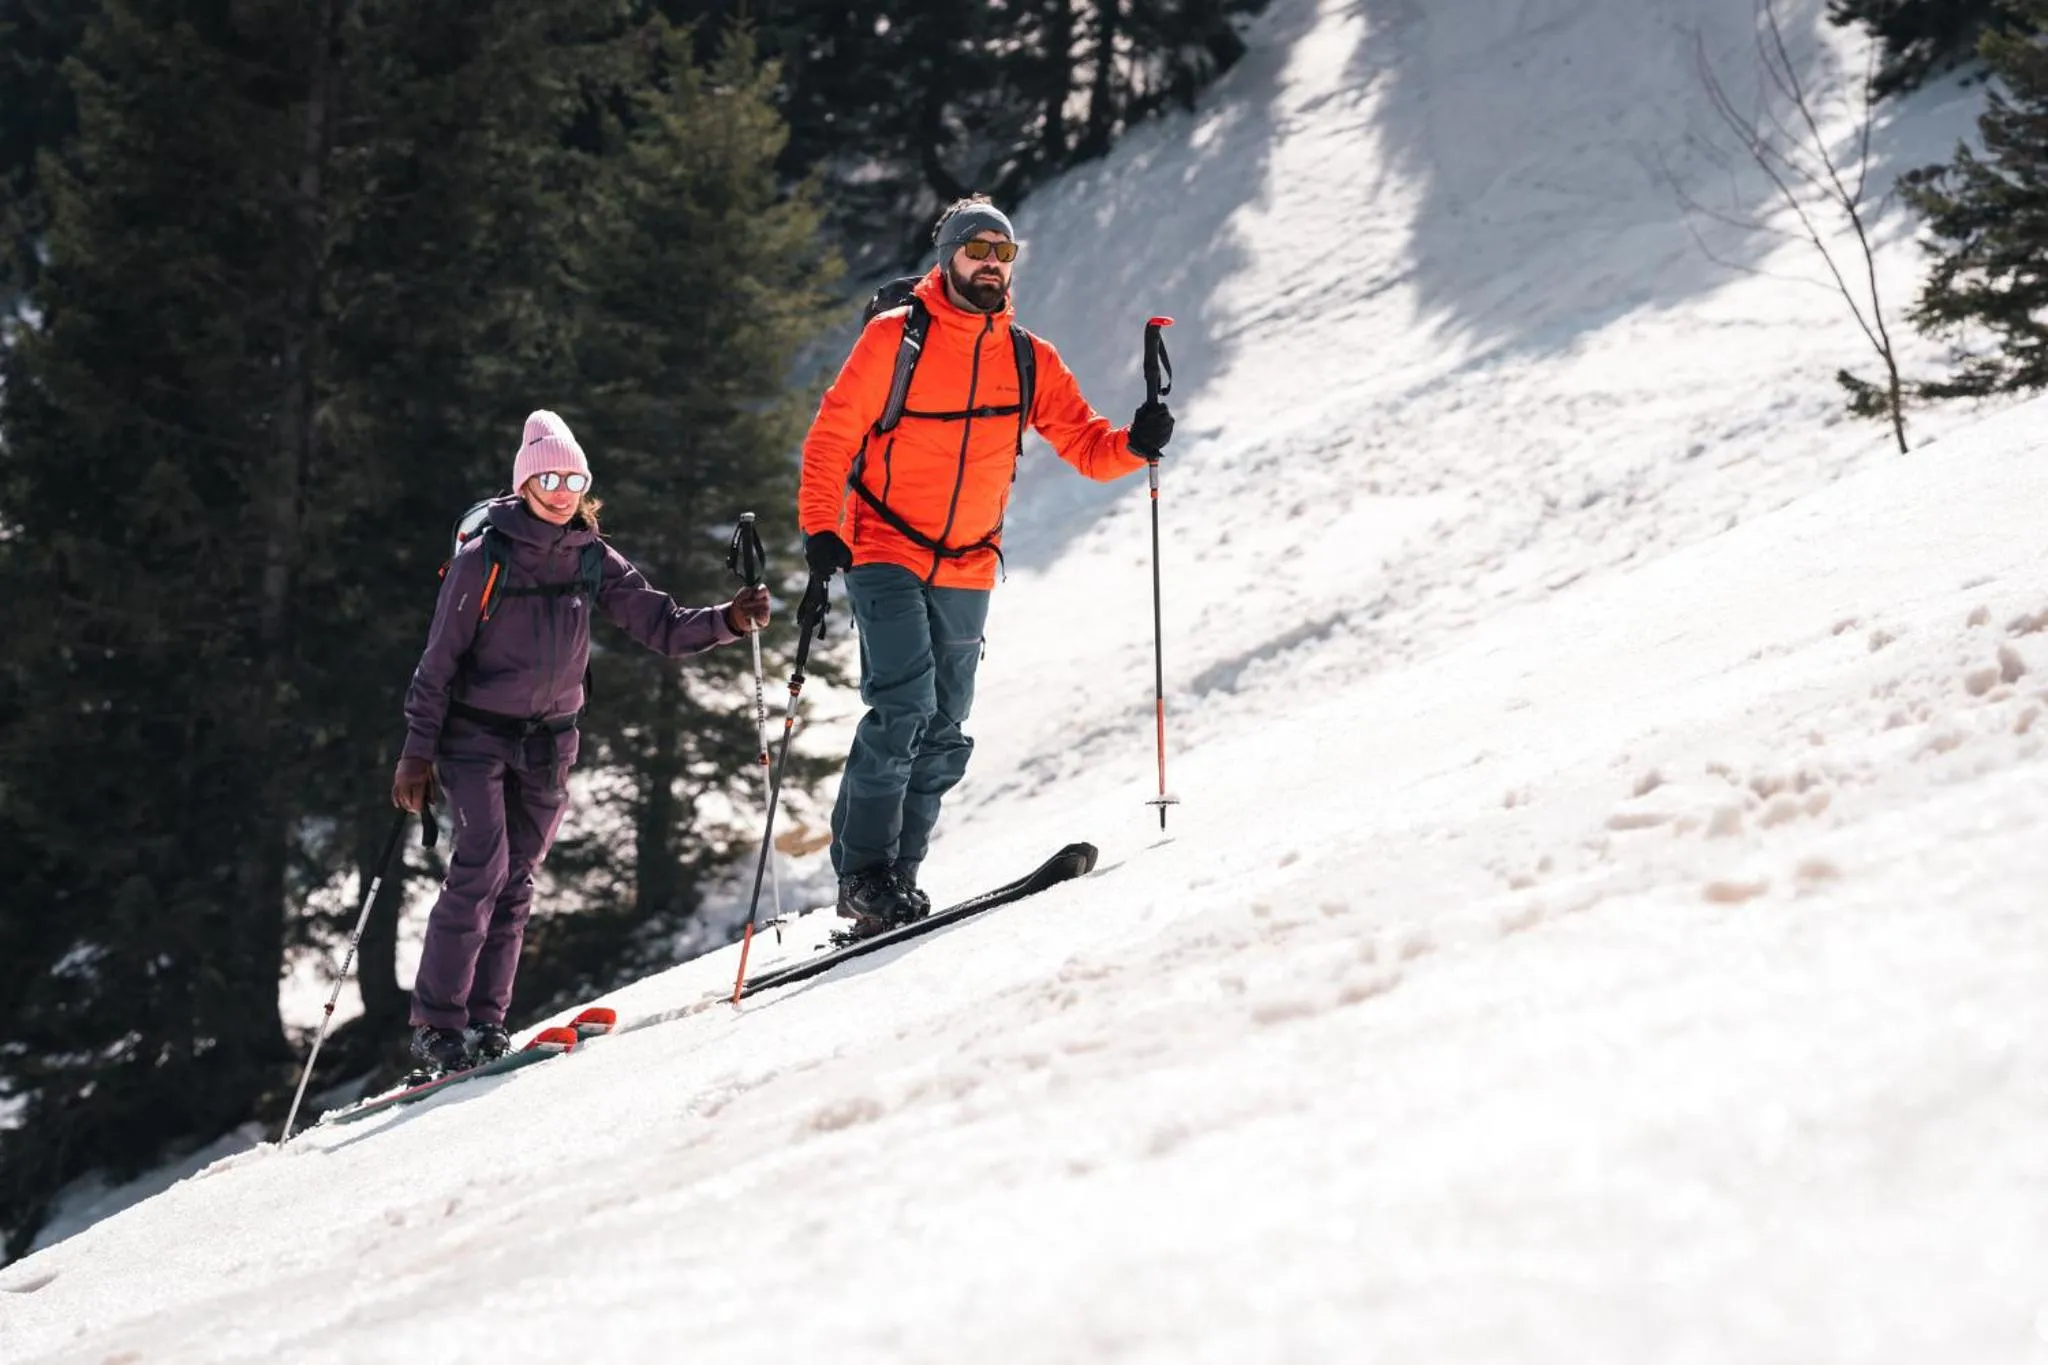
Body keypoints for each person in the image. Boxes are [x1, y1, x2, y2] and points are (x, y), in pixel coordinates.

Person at [796, 194, 1176, 939]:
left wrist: (1137, 441)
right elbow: (830, 438)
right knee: (901, 705)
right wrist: (820, 529)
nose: (992, 265)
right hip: (882, 544)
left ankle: (898, 880)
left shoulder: (1029, 357)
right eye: (978, 250)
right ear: (949, 258)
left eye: (1004, 254)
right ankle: (863, 875)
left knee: (944, 729)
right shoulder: (893, 340)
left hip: (970, 561)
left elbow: (1088, 446)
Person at [392, 410, 771, 1072]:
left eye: (574, 476)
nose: (562, 488)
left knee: (516, 879)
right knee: (480, 866)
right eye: (549, 476)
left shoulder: (590, 555)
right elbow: (436, 664)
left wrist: (730, 621)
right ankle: (435, 1026)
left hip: (551, 741)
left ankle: (485, 1021)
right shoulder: (484, 557)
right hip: (476, 737)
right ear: (525, 483)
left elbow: (661, 623)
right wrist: (417, 752)